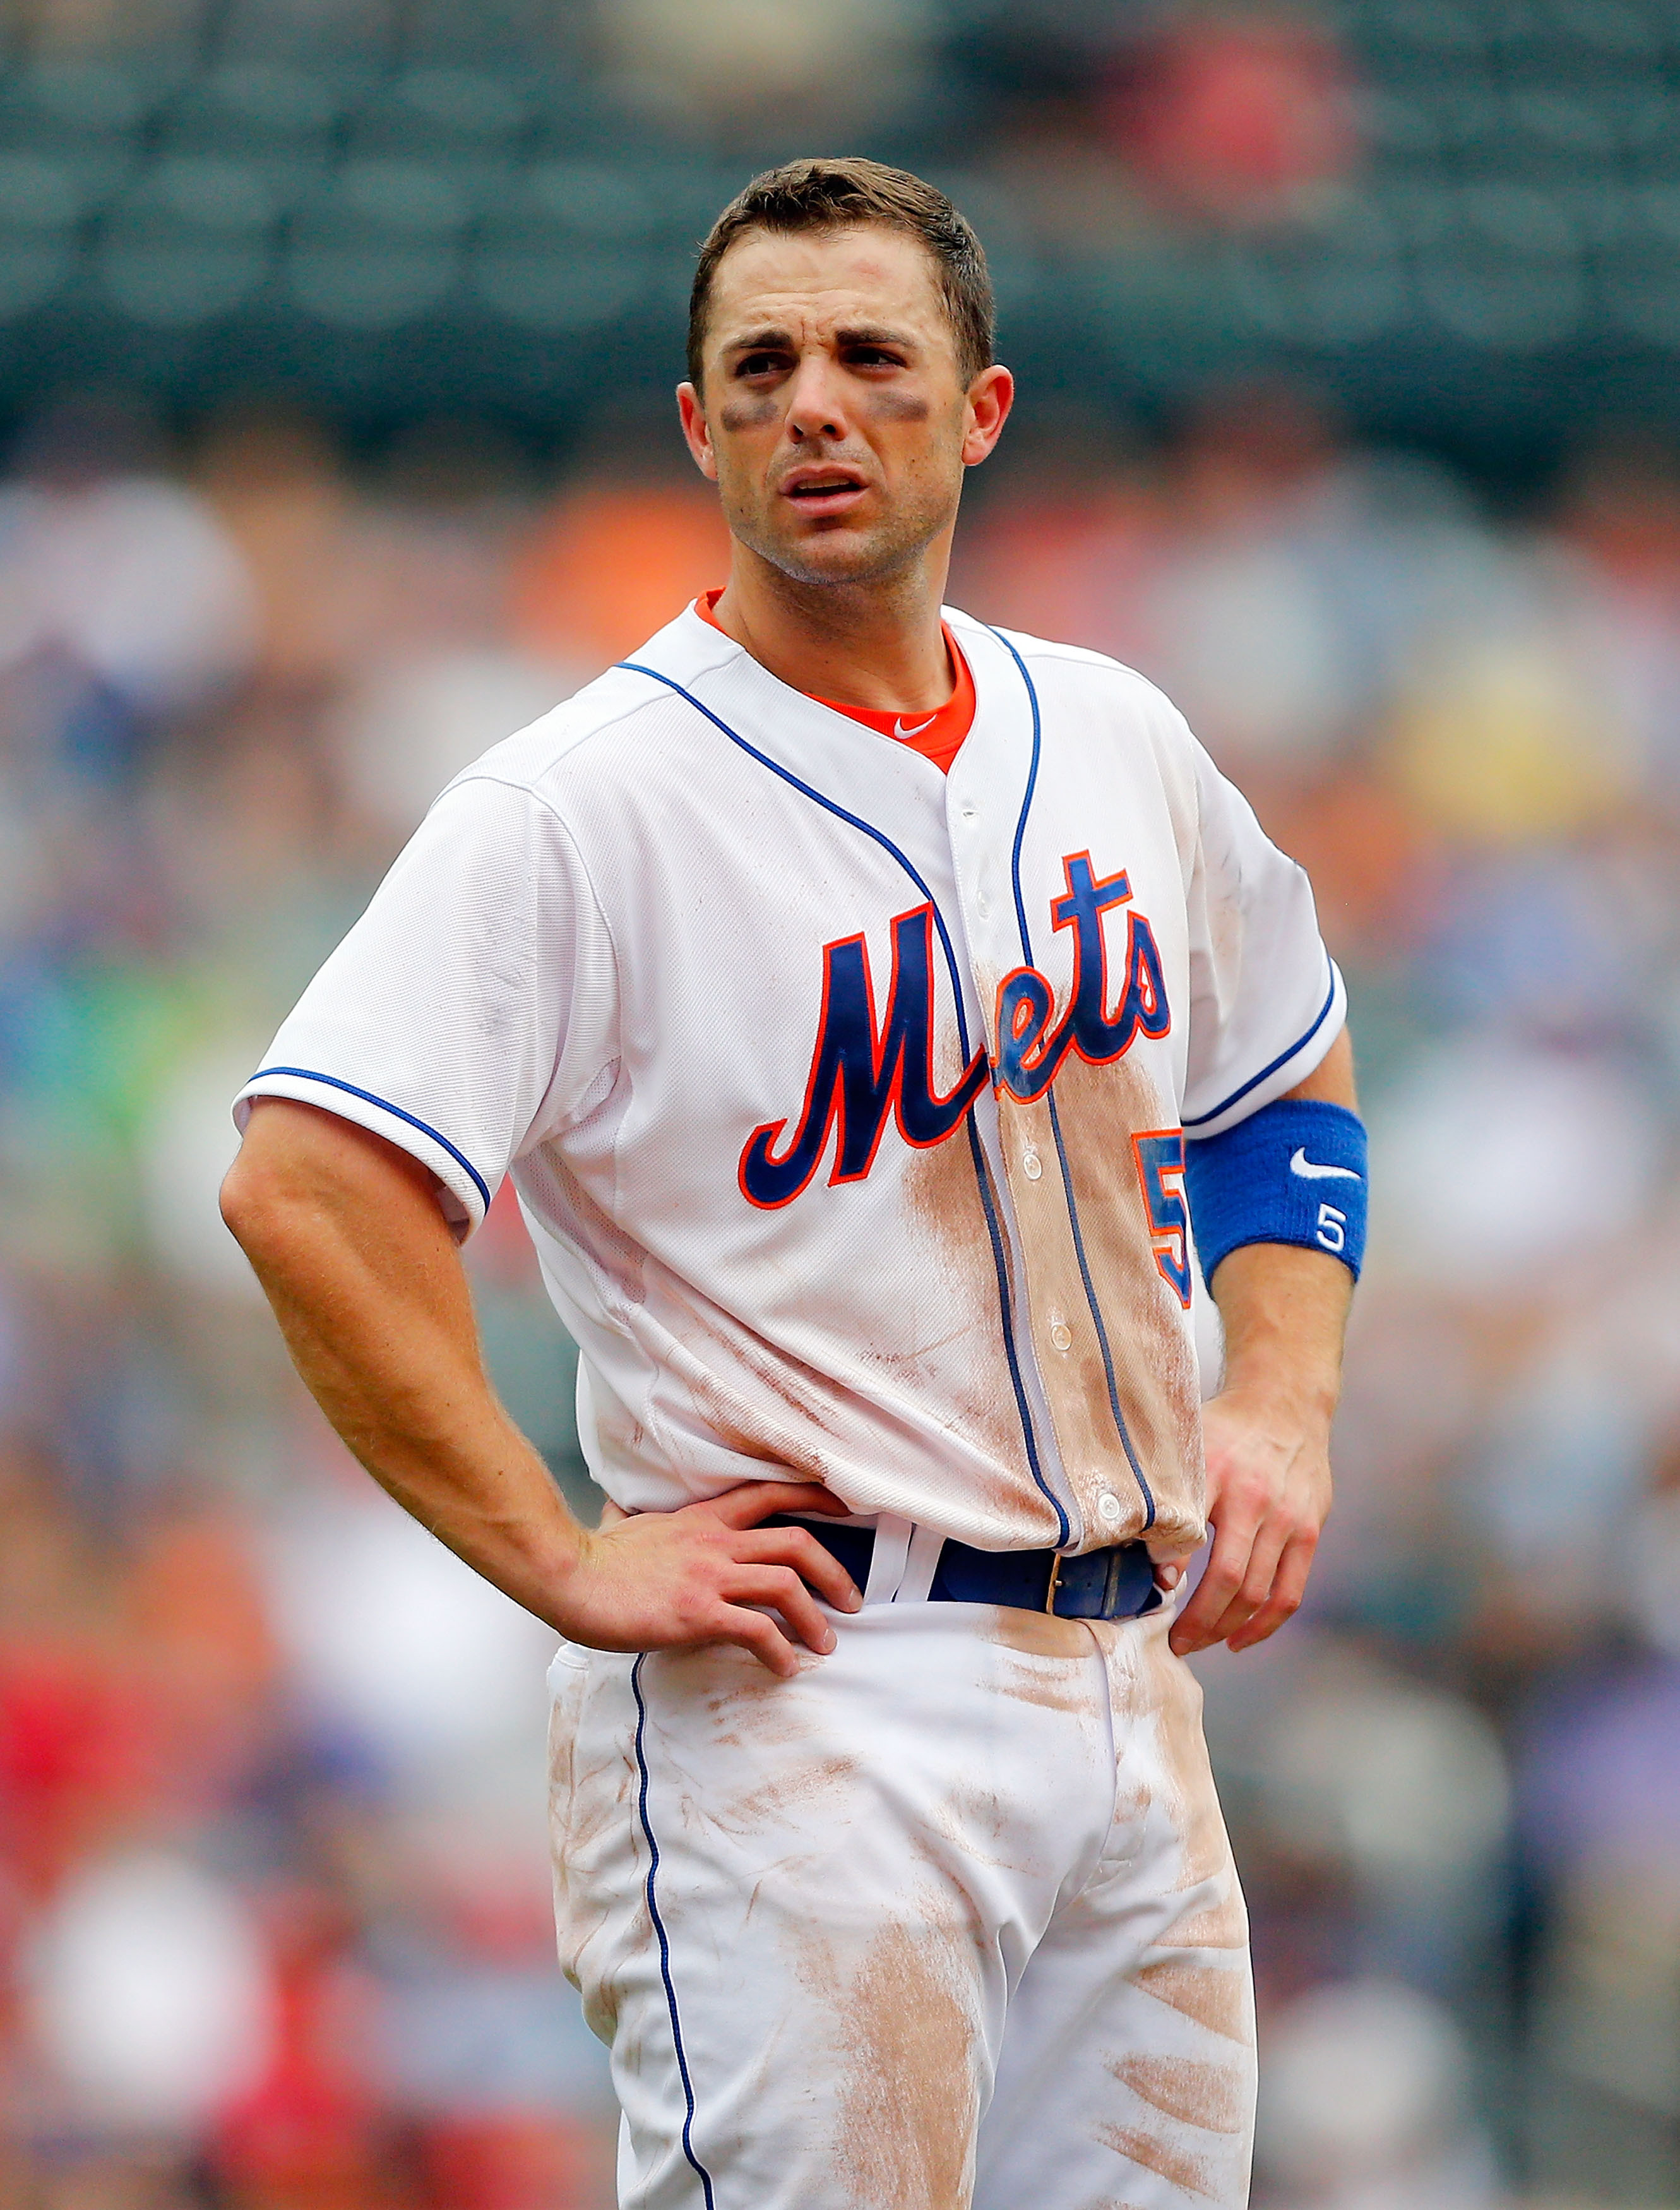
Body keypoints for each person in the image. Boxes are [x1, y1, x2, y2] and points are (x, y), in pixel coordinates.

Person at [222, 158, 1364, 2210]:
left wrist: (1279, 1398)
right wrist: (562, 1561)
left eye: (868, 357)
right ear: (697, 429)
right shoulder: (578, 807)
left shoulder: (1114, 735)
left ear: (981, 412)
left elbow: (1286, 1074)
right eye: (759, 367)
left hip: (1129, 1684)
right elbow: (306, 1187)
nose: (813, 405)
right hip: (816, 1694)